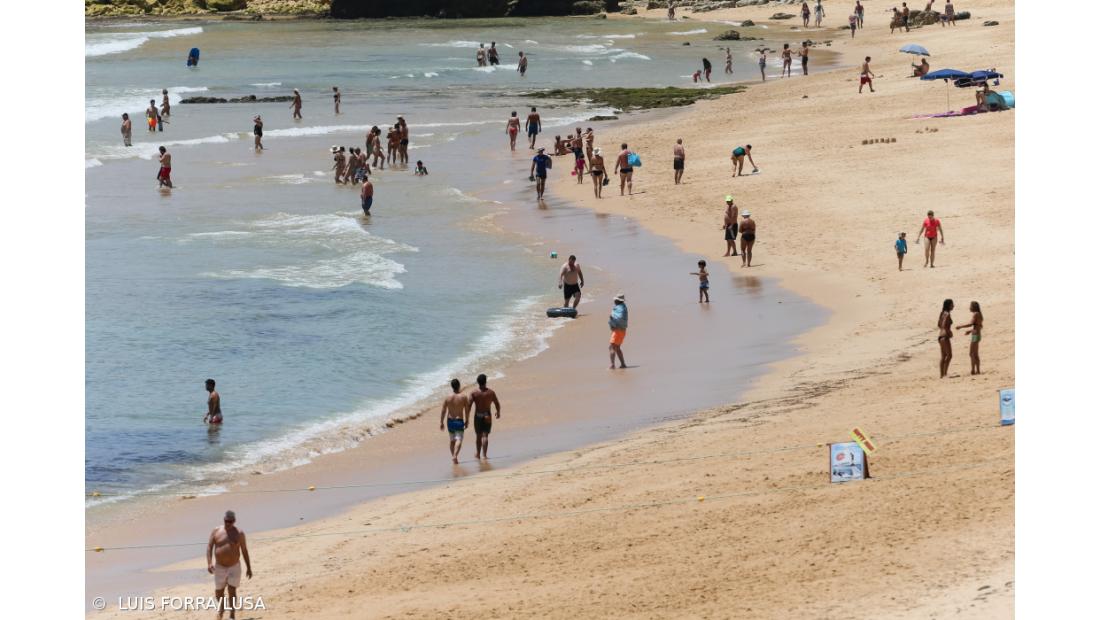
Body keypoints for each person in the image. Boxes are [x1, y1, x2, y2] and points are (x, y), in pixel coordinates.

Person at [207, 510, 253, 620]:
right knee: (219, 592)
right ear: (224, 520)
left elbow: (244, 551)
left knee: (232, 591)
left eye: (230, 521)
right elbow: (209, 547)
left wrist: (249, 568)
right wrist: (209, 563)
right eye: (226, 521)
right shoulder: (216, 531)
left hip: (234, 566)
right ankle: (222, 608)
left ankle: (232, 615)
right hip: (220, 567)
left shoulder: (239, 533)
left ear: (234, 521)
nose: (228, 523)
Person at [468, 374, 501, 460]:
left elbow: (469, 405)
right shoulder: (491, 392)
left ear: (478, 382)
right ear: (485, 381)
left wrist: (467, 417)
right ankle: (484, 455)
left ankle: (478, 454)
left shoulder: (474, 393)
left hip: (478, 416)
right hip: (487, 415)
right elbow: (497, 403)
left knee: (478, 436)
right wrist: (498, 412)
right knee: (485, 436)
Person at [440, 379, 470, 464]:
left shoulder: (448, 397)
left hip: (449, 421)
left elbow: (443, 410)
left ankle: (454, 457)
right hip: (459, 421)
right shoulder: (463, 397)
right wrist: (467, 420)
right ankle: (455, 456)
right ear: (459, 385)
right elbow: (467, 410)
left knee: (452, 440)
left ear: (451, 386)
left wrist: (441, 422)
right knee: (459, 439)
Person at [955, 301, 983, 375]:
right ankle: (977, 370)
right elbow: (979, 326)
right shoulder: (979, 314)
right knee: (975, 353)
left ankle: (973, 370)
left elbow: (971, 324)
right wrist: (970, 331)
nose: (969, 308)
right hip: (977, 334)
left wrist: (960, 326)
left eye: (970, 306)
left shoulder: (975, 314)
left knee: (971, 353)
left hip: (975, 336)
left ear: (973, 307)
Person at [608, 293, 628, 370]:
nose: (614, 301)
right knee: (617, 347)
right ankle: (623, 364)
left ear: (617, 300)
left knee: (611, 347)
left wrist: (611, 318)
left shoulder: (619, 308)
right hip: (622, 331)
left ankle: (612, 365)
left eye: (615, 300)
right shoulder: (623, 307)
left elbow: (618, 318)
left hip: (618, 330)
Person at [937, 299, 954, 378]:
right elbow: (943, 325)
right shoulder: (947, 314)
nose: (953, 306)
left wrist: (944, 330)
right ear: (949, 305)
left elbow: (939, 325)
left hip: (940, 336)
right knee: (949, 355)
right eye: (952, 304)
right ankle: (945, 373)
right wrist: (949, 332)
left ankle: (941, 375)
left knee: (943, 356)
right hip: (945, 336)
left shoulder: (942, 313)